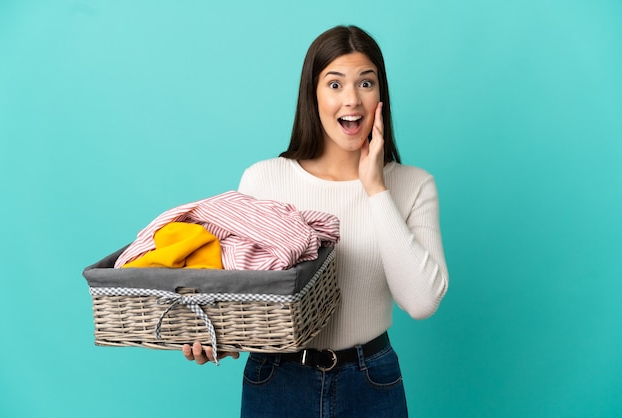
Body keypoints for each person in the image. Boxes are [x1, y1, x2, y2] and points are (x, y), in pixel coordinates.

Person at [183, 25, 449, 417]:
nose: (352, 100)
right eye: (335, 84)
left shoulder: (412, 185)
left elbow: (422, 301)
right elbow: (242, 290)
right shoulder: (264, 179)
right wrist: (213, 338)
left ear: (381, 96)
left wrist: (375, 187)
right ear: (313, 94)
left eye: (366, 83)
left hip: (370, 380)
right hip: (278, 379)